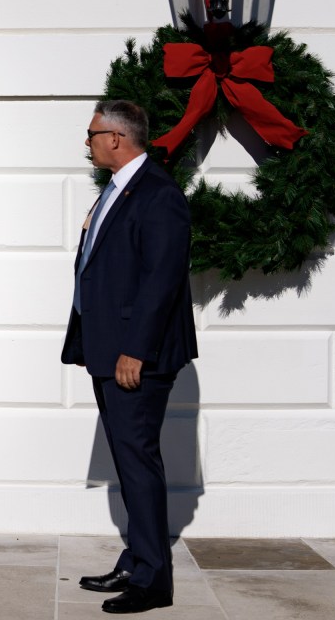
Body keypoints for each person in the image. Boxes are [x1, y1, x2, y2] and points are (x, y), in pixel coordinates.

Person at [61, 100, 197, 614]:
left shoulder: (157, 195)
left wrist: (133, 351)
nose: (88, 142)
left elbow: (161, 282)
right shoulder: (118, 191)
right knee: (128, 460)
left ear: (117, 137)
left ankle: (153, 582)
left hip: (135, 355)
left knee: (138, 462)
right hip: (109, 349)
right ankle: (137, 559)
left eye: (92, 133)